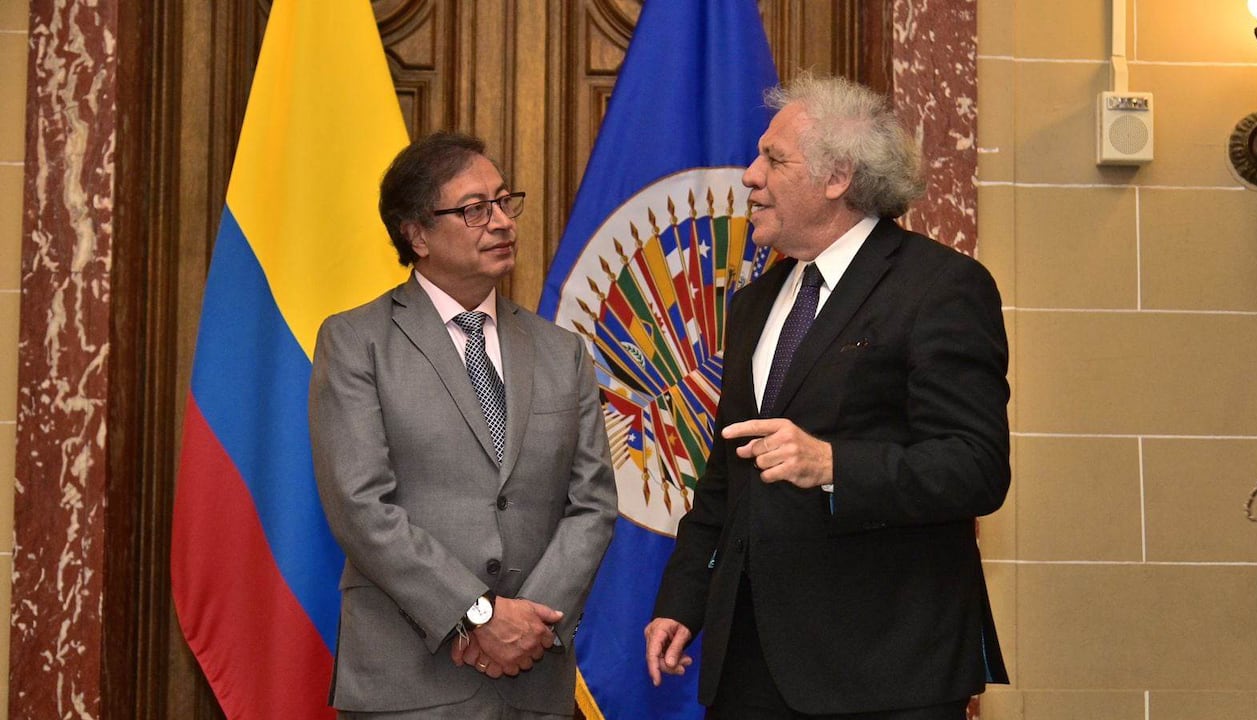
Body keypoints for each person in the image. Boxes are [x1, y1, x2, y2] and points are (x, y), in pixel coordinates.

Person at [643, 73, 1011, 719]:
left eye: (773, 160)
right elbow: (728, 474)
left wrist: (835, 465)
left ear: (837, 176)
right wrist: (682, 600)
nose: (750, 176)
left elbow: (974, 467)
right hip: (749, 665)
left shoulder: (939, 287)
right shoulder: (757, 302)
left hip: (883, 666)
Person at [309, 131, 617, 719]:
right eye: (475, 209)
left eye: (505, 202)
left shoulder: (562, 352)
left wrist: (528, 626)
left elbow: (593, 504)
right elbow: (360, 506)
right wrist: (476, 614)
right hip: (409, 682)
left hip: (533, 678)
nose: (501, 222)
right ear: (416, 233)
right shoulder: (356, 343)